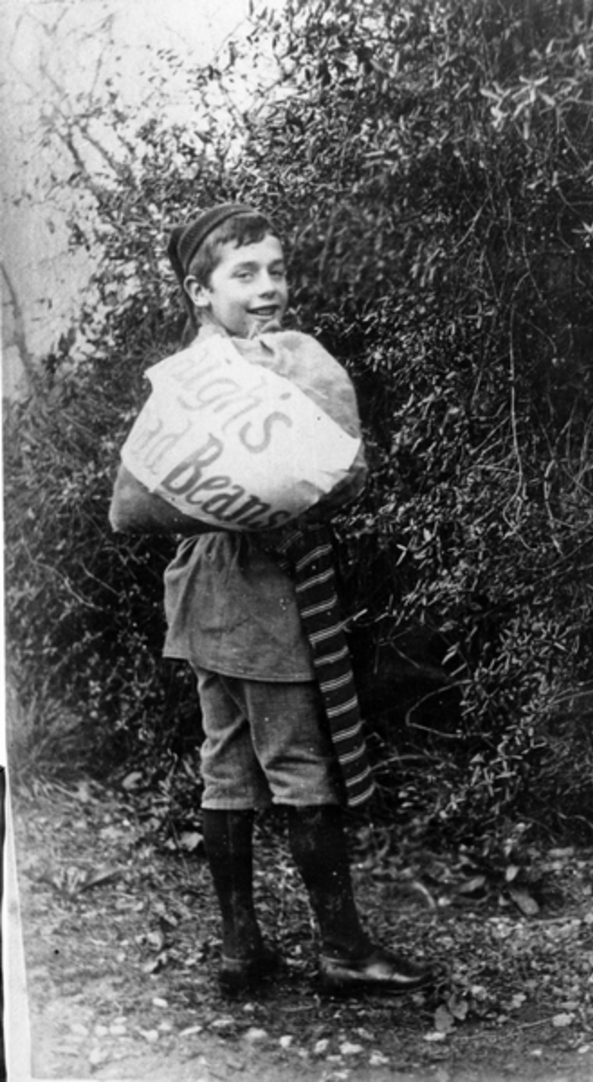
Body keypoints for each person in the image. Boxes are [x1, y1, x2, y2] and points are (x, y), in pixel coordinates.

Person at [109, 203, 432, 998]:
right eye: (244, 274)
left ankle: (241, 950)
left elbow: (343, 470)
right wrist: (248, 509)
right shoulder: (193, 381)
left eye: (276, 270)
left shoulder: (287, 357)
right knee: (294, 762)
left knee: (229, 765)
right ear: (199, 290)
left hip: (225, 590)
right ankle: (341, 949)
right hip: (244, 584)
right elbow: (130, 505)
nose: (267, 288)